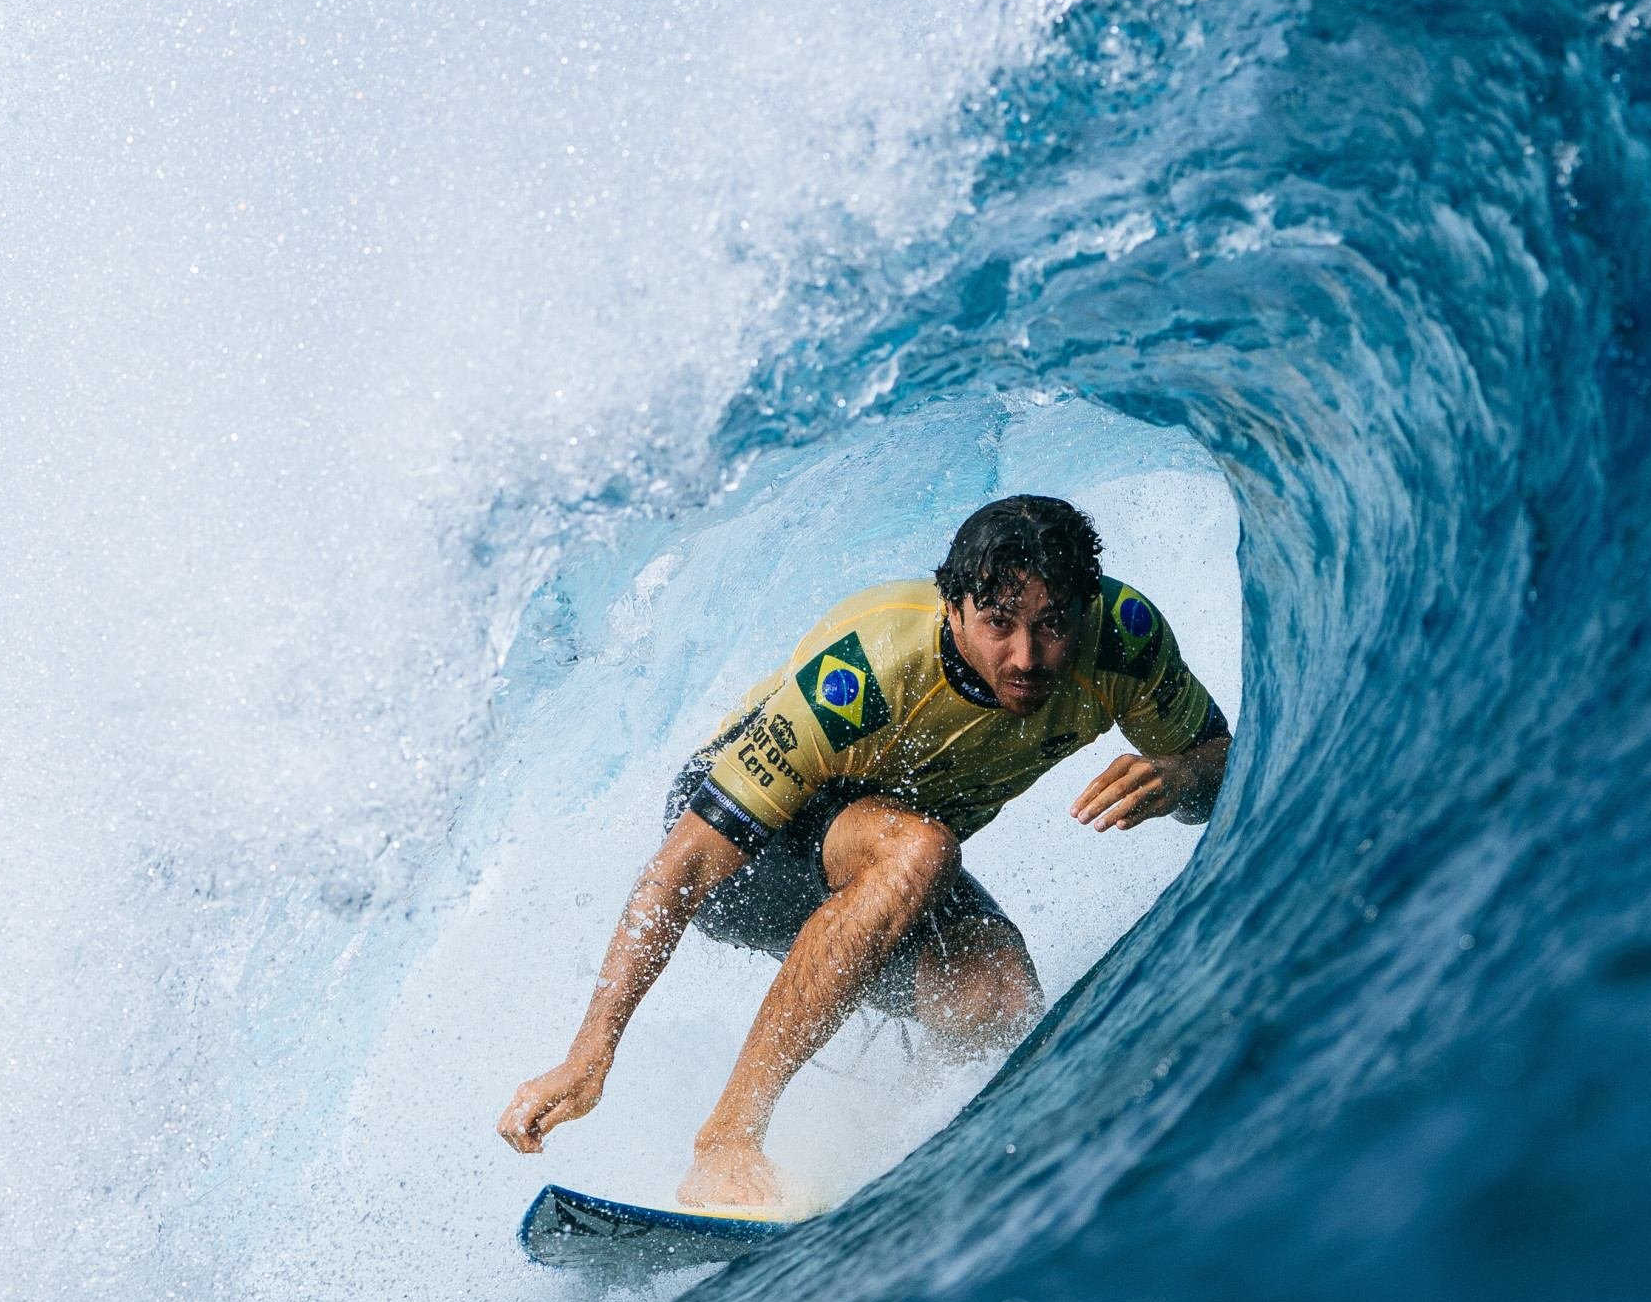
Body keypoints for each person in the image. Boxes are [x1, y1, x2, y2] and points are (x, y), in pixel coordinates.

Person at [496, 494, 1232, 1210]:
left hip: (892, 860)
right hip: (749, 857)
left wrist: (1179, 776)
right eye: (999, 623)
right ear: (953, 609)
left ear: (1086, 611)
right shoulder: (870, 671)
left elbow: (1220, 763)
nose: (1027, 656)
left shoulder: (1124, 641)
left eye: (1052, 625)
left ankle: (910, 1160)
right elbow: (682, 866)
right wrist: (590, 1052)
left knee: (998, 999)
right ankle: (726, 1142)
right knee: (917, 848)